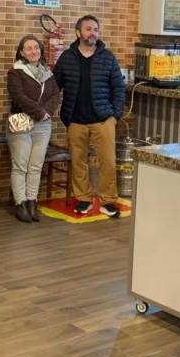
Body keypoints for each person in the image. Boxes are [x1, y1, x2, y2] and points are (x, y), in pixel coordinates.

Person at [54, 15, 125, 217]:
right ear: (78, 32)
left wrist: (115, 115)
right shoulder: (67, 57)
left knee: (108, 162)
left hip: (103, 120)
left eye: (95, 29)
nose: (92, 33)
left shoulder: (108, 57)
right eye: (88, 29)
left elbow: (118, 88)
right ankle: (83, 199)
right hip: (75, 120)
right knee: (78, 162)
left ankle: (108, 201)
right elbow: (55, 86)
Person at [6, 34, 61, 223]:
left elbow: (55, 95)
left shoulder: (48, 73)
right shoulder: (15, 72)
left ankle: (32, 202)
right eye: (28, 48)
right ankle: (20, 203)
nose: (33, 51)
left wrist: (46, 113)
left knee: (35, 166)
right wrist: (40, 112)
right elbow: (18, 96)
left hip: (43, 125)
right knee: (20, 166)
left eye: (36, 47)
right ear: (21, 52)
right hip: (21, 123)